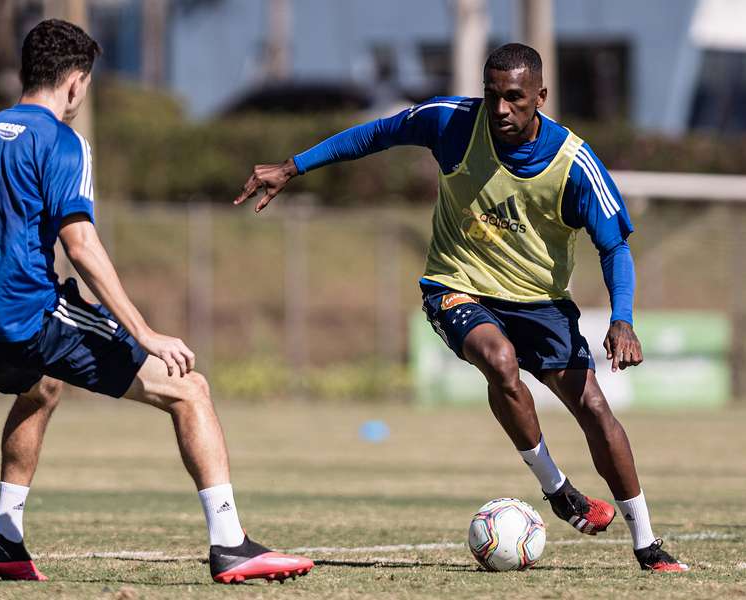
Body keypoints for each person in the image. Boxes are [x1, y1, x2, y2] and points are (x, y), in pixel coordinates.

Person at [235, 43, 686, 572]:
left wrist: (623, 319)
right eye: (492, 95)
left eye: (515, 98)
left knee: (594, 409)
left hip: (541, 302)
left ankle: (647, 543)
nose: (500, 110)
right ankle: (558, 490)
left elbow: (614, 247)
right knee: (499, 361)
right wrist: (293, 167)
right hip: (456, 285)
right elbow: (376, 134)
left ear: (540, 96)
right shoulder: (451, 122)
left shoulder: (575, 166)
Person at [0, 19, 313, 584]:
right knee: (189, 389)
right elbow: (80, 246)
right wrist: (145, 334)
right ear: (77, 83)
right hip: (32, 317)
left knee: (41, 387)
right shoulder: (60, 140)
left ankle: (5, 539)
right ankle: (232, 545)